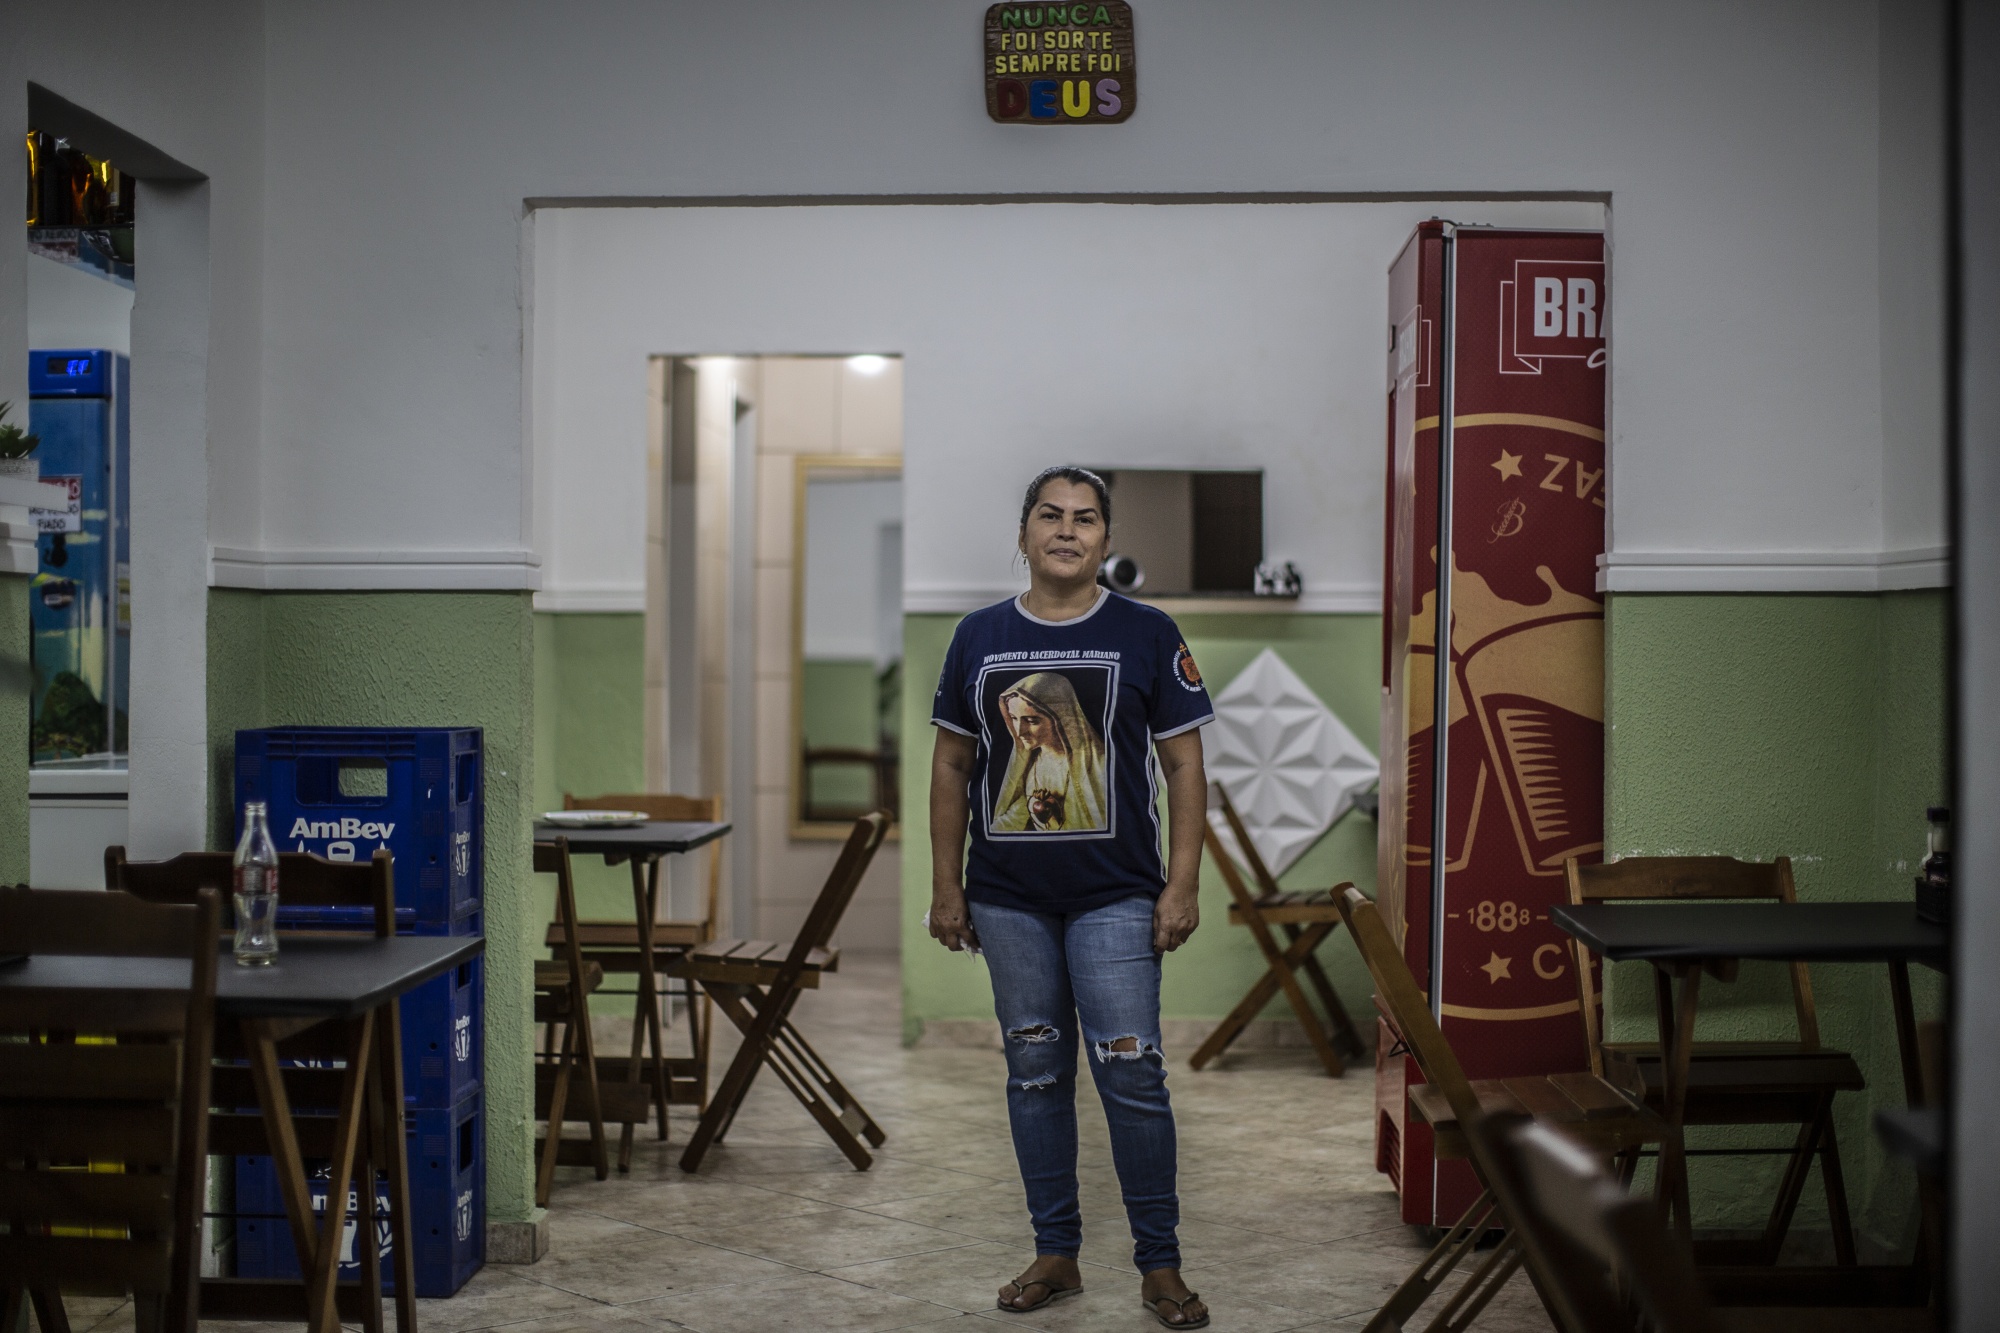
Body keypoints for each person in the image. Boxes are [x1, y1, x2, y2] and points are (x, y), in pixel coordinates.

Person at [928, 465, 1213, 1329]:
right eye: (1049, 515)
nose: (1066, 529)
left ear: (1105, 539)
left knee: (1132, 1072)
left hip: (1117, 895)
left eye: (1085, 518)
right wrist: (946, 885)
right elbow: (952, 764)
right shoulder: (978, 636)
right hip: (1007, 899)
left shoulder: (1147, 631)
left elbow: (1184, 764)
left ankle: (1160, 1263)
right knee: (1037, 1073)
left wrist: (1183, 881)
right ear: (1024, 533)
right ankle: (1056, 1251)